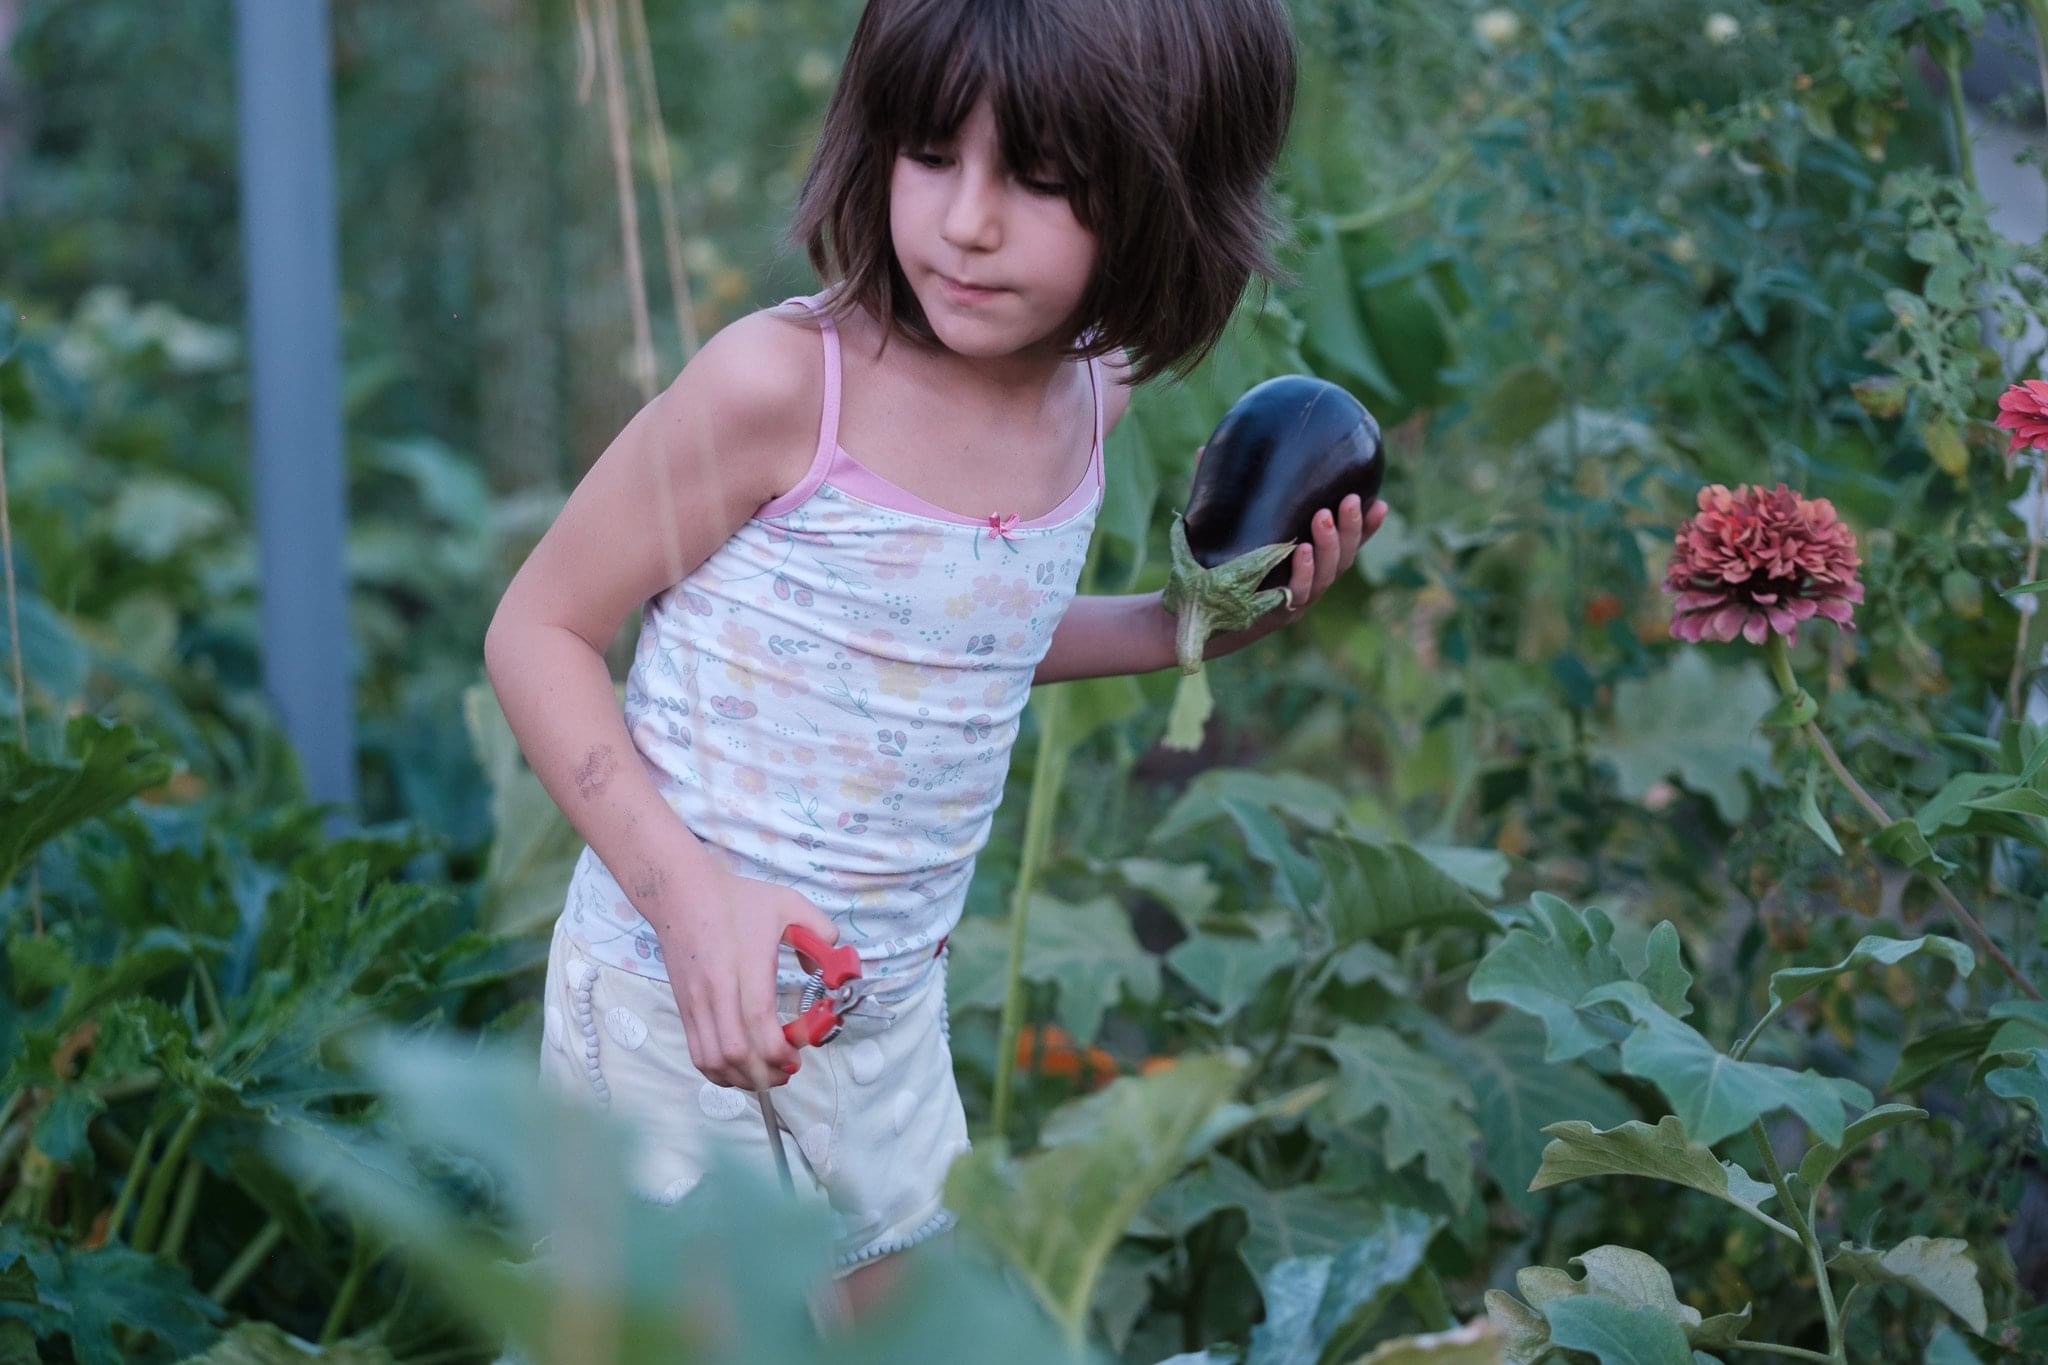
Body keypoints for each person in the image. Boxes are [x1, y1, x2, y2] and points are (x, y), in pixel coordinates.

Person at [484, 0, 1387, 1327]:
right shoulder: (781, 392)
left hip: (883, 1015)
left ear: (1164, 193)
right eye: (929, 152)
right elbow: (537, 629)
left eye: (1041, 180)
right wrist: (683, 896)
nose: (965, 221)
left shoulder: (1091, 397)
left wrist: (1181, 628)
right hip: (669, 997)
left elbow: (954, 648)